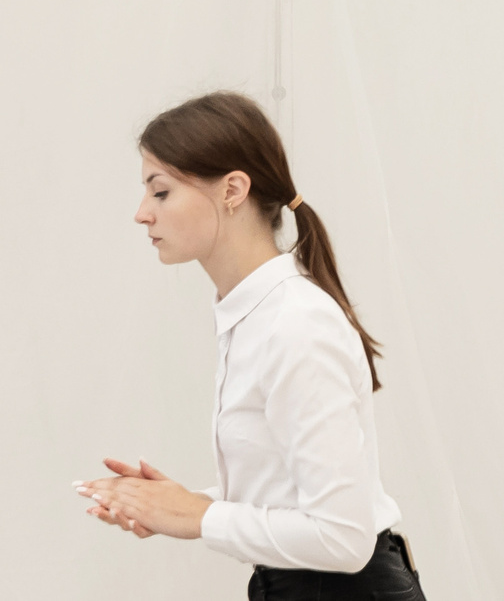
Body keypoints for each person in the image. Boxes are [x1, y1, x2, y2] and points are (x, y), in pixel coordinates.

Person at [73, 91, 424, 597]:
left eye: (161, 192)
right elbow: (290, 502)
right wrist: (175, 504)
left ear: (233, 189)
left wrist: (200, 515)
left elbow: (344, 540)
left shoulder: (296, 324)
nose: (141, 214)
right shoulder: (254, 316)